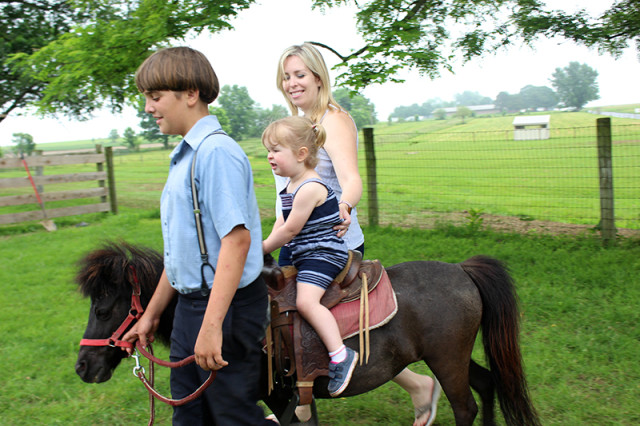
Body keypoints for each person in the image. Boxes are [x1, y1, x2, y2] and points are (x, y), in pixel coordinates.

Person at [274, 42, 441, 426]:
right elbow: (284, 197)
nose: (292, 83)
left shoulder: (332, 121)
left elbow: (351, 180)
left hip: (333, 238)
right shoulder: (292, 126)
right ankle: (414, 386)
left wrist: (344, 207)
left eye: (300, 74)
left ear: (318, 77)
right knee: (283, 317)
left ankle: (301, 405)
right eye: (286, 76)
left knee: (310, 311)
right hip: (296, 240)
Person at [122, 46, 276, 425]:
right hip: (192, 308)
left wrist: (211, 327)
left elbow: (236, 242)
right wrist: (152, 315)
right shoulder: (185, 156)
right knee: (187, 413)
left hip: (227, 308)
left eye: (155, 97)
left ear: (190, 94)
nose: (148, 108)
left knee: (230, 415)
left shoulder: (216, 153)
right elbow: (179, 256)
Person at [262, 116, 359, 397]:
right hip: (303, 252)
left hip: (323, 253)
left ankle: (340, 354)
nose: (270, 156)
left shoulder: (310, 188)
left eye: (276, 150)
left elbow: (291, 230)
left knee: (306, 301)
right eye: (268, 150)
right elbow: (281, 221)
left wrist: (261, 248)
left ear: (302, 154)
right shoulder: (290, 185)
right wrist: (264, 243)